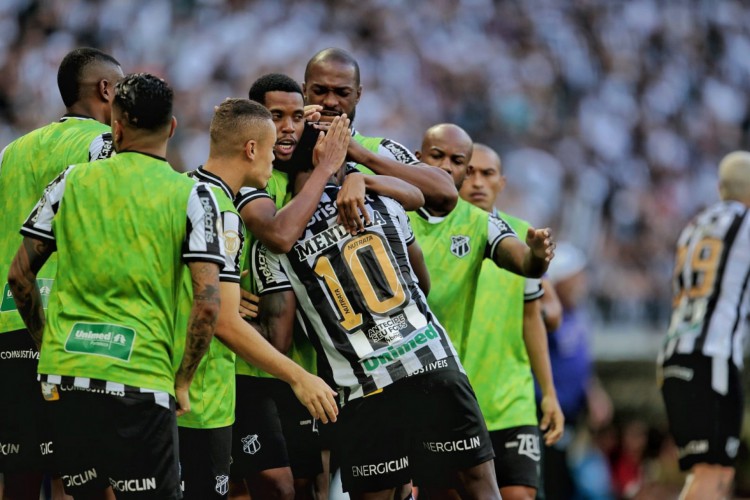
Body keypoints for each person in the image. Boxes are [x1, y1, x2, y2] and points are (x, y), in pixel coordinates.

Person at [251, 153, 553, 499]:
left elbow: (281, 336)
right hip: (432, 365)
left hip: (366, 388)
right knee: (478, 488)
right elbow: (422, 281)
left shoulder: (278, 240)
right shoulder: (385, 203)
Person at [7, 72, 224, 499]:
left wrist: (46, 337)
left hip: (69, 373)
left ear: (117, 127)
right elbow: (208, 304)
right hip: (140, 375)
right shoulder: (192, 195)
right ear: (173, 127)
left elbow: (19, 276)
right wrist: (183, 379)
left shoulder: (71, 181)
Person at [231, 73, 424, 500]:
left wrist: (357, 174)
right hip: (251, 361)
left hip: (325, 361)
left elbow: (429, 195)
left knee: (317, 482)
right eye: (275, 116)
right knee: (266, 485)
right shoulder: (246, 180)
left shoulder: (329, 158)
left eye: (295, 116)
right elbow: (278, 236)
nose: (287, 126)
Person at [177, 98, 339, 499]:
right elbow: (225, 321)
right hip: (197, 390)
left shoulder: (179, 188)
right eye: (269, 151)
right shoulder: (220, 209)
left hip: (169, 377)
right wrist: (299, 376)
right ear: (251, 149)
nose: (273, 160)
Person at [0, 46, 123, 499]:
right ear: (107, 89)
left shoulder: (11, 151)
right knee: (87, 480)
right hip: (67, 330)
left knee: (19, 475)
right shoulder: (103, 144)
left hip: (10, 322)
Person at [458, 143, 564, 499]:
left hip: (511, 402)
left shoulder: (521, 237)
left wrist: (548, 393)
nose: (477, 182)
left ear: (501, 183)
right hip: (456, 401)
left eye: (487, 174)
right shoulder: (435, 234)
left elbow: (537, 314)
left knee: (520, 494)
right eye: (469, 171)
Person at [658, 150, 750, 500]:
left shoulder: (696, 224)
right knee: (712, 473)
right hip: (710, 356)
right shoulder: (745, 223)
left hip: (678, 350)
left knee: (717, 473)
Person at [302, 47, 458, 214]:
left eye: (342, 93)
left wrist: (362, 157)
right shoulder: (283, 148)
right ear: (304, 90)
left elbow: (446, 193)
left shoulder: (378, 149)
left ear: (358, 95)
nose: (331, 101)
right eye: (320, 91)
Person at [540, 242, 614, 500]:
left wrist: (593, 392)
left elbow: (579, 364)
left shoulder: (579, 314)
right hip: (546, 414)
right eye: (575, 277)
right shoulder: (544, 317)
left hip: (574, 416)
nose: (582, 283)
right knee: (553, 482)